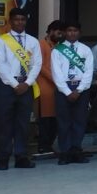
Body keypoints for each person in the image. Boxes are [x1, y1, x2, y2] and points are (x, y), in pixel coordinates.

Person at [0, 9, 42, 170]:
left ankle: (21, 157)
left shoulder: (33, 41)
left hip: (26, 86)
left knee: (23, 123)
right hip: (7, 87)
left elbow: (37, 65)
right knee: (4, 123)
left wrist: (26, 83)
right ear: (10, 21)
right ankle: (3, 158)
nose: (19, 22)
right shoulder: (2, 41)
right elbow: (0, 66)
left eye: (22, 19)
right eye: (16, 19)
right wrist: (15, 85)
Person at [51, 20, 94, 165]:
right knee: (64, 122)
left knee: (79, 121)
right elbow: (56, 73)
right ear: (64, 32)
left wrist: (79, 90)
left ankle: (76, 150)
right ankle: (65, 152)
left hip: (81, 89)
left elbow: (89, 72)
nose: (72, 33)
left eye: (75, 30)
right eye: (69, 30)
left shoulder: (86, 50)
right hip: (63, 89)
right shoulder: (57, 50)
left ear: (79, 32)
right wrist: (67, 91)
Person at [36, 19, 65, 154]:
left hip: (57, 89)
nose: (60, 36)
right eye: (58, 33)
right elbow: (40, 66)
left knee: (55, 119)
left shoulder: (59, 46)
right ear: (51, 31)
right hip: (44, 87)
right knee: (45, 120)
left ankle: (49, 146)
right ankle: (43, 146)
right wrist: (57, 79)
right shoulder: (41, 45)